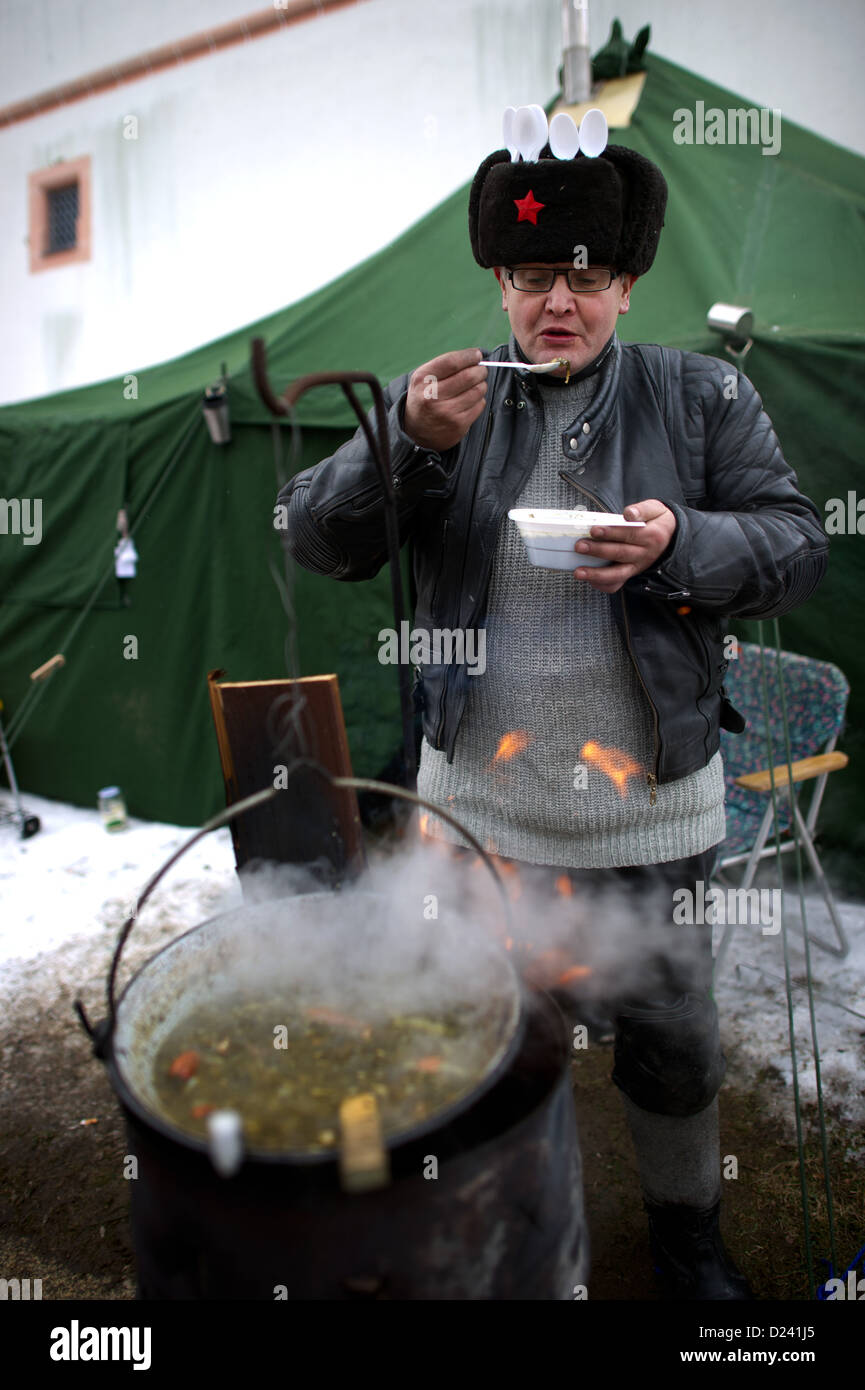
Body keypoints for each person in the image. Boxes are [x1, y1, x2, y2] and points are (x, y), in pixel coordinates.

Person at [277, 126, 829, 1299]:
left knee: (674, 1049)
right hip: (478, 819)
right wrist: (410, 453)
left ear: (627, 284)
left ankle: (685, 1241)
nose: (559, 301)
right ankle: (507, 1229)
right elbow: (312, 537)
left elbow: (796, 545)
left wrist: (685, 544)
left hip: (651, 818)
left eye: (587, 276)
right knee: (485, 1043)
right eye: (536, 277)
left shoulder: (699, 396)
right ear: (501, 283)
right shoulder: (441, 401)